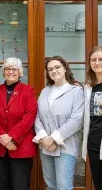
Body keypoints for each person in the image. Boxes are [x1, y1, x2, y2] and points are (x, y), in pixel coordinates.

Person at [33, 56, 84, 190]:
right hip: (45, 146)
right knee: (50, 185)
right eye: (50, 69)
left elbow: (76, 120)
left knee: (63, 186)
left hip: (66, 146)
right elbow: (37, 116)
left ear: (65, 68)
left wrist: (54, 139)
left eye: (57, 67)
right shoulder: (45, 91)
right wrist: (44, 138)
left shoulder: (76, 91)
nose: (54, 71)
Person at [0, 57, 38, 190]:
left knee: (20, 185)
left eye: (14, 69)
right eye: (7, 69)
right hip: (0, 146)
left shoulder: (28, 90)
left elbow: (29, 116)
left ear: (20, 72)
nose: (11, 72)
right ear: (3, 72)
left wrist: (11, 137)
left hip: (21, 147)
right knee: (2, 185)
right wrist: (3, 138)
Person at [82, 46, 102, 190]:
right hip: (93, 142)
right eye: (93, 60)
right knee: (98, 182)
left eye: (100, 59)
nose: (96, 63)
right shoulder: (88, 87)